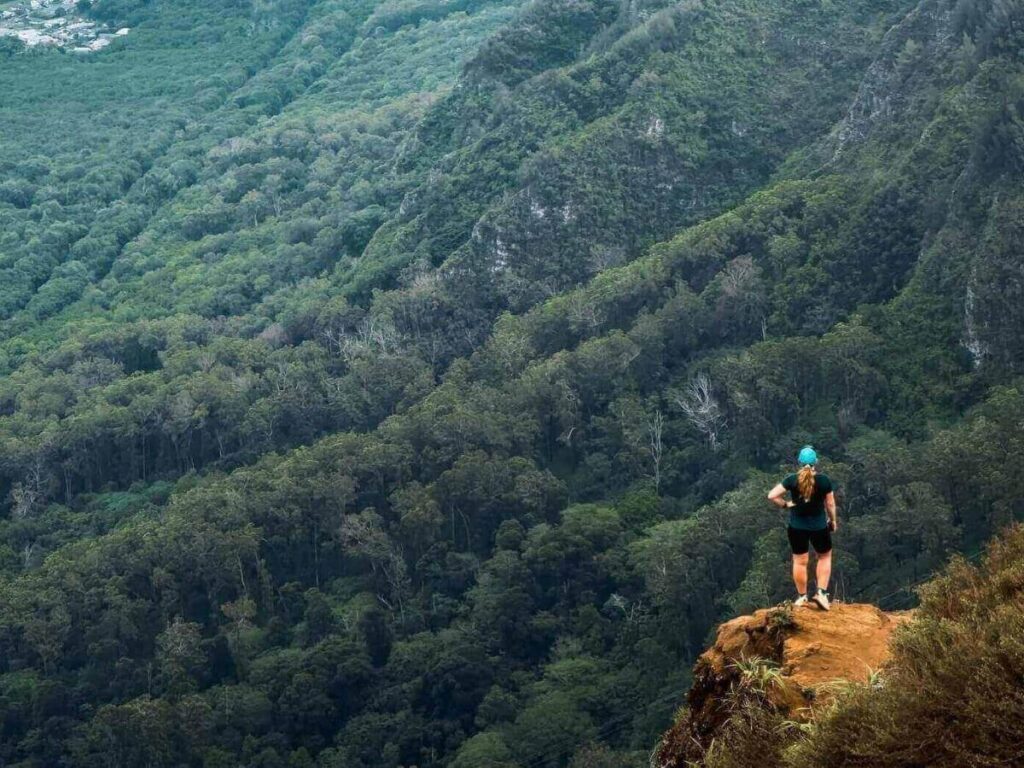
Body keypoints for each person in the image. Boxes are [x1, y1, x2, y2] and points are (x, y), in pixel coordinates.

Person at [767, 446, 837, 610]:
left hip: (797, 527)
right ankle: (821, 593)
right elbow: (830, 503)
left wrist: (786, 504)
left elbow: (771, 495)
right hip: (819, 526)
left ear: (799, 462)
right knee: (824, 557)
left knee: (800, 561)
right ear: (816, 463)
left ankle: (802, 596)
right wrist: (833, 521)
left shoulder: (792, 480)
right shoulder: (824, 481)